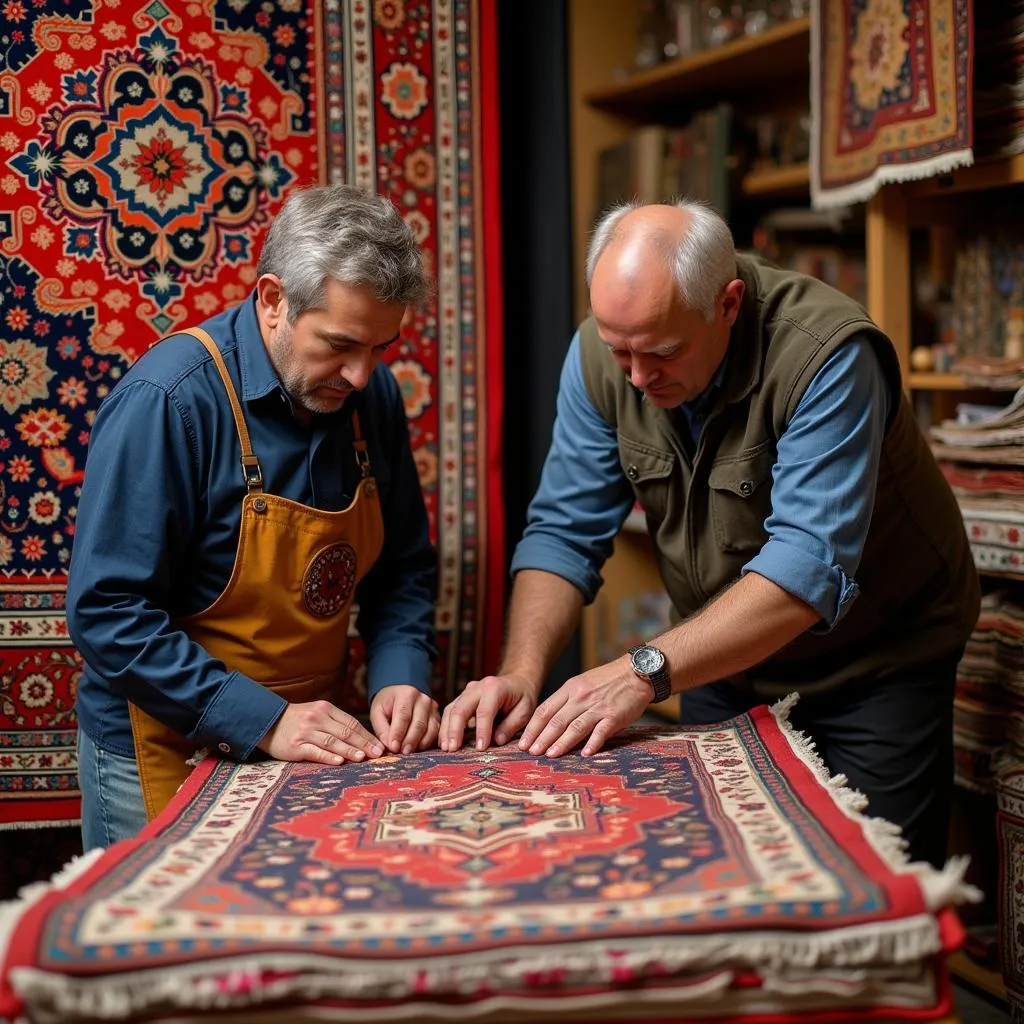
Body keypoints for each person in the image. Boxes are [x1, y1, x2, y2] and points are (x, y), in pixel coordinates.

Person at [440, 199, 979, 867]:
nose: (636, 377)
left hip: (877, 660)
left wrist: (642, 670)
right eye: (619, 351)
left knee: (873, 880)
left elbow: (805, 571)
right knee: (727, 863)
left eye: (661, 353)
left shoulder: (829, 356)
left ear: (727, 304)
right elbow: (562, 530)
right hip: (721, 656)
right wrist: (522, 674)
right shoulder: (603, 355)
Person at [68, 184, 439, 849]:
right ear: (272, 300)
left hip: (311, 741)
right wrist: (265, 720)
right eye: (340, 344)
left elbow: (404, 568)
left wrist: (400, 679)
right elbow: (107, 614)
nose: (362, 375)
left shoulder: (370, 396)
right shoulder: (169, 399)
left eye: (381, 348)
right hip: (164, 741)